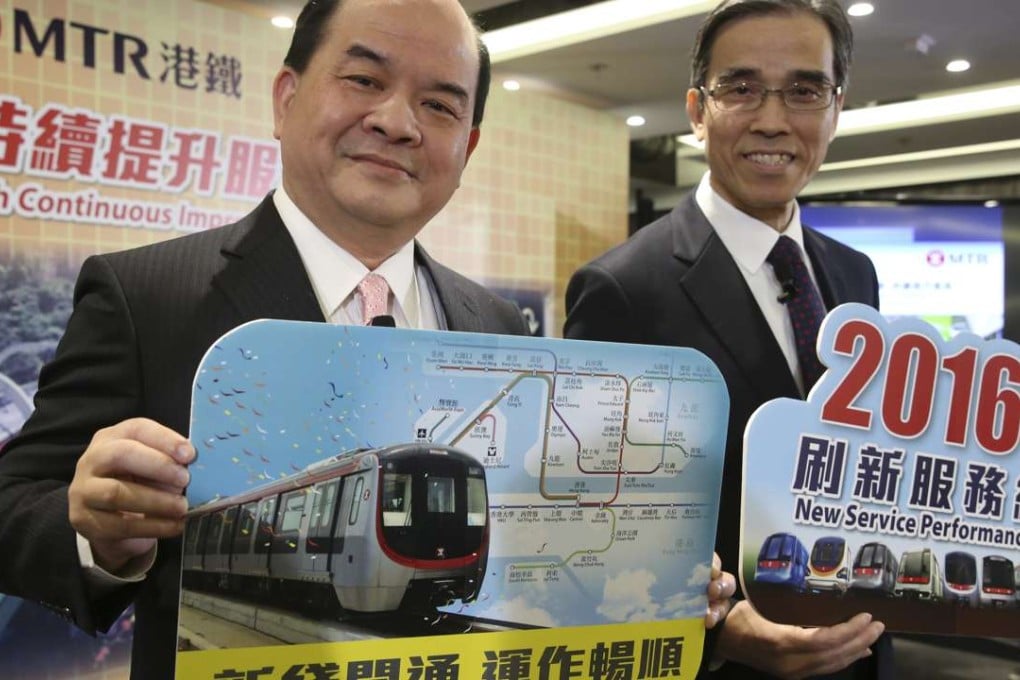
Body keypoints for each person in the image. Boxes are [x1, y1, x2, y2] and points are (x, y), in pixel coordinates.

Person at [0, 1, 734, 677]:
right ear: (286, 98)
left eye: (439, 104)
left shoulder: (499, 329)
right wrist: (96, 530)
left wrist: (652, 579)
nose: (396, 121)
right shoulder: (144, 296)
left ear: (467, 146)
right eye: (363, 80)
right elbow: (13, 508)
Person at [565, 1, 893, 678]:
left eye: (804, 91)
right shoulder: (623, 290)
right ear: (696, 110)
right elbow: (589, 526)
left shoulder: (855, 275)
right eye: (740, 88)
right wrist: (719, 633)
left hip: (866, 652)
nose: (772, 119)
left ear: (836, 108)